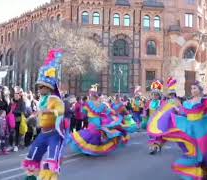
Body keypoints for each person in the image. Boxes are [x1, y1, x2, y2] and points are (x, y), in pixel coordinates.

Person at [22, 49, 68, 180]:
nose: (39, 89)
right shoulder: (42, 100)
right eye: (39, 87)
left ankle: (49, 178)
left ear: (48, 88)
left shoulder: (54, 99)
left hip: (54, 134)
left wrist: (47, 111)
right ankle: (30, 177)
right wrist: (33, 115)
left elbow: (61, 110)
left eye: (41, 87)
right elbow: (40, 111)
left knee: (52, 159)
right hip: (43, 133)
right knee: (33, 154)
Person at [69, 84, 129, 156]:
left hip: (92, 122)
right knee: (95, 136)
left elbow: (83, 113)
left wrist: (85, 115)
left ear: (91, 95)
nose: (89, 96)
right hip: (99, 122)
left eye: (90, 94)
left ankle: (88, 150)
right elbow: (109, 111)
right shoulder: (102, 104)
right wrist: (115, 115)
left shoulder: (88, 104)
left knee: (89, 135)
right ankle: (91, 150)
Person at [148, 77, 181, 155]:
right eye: (170, 94)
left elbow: (179, 109)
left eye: (172, 94)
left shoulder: (176, 101)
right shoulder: (165, 101)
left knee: (161, 133)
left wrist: (175, 109)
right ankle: (156, 146)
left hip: (168, 119)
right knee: (153, 133)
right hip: (155, 119)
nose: (171, 95)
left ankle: (156, 146)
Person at [9, 86, 26, 152]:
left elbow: (22, 112)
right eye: (14, 95)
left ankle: (16, 145)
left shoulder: (22, 103)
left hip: (17, 119)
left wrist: (14, 111)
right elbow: (8, 110)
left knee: (17, 133)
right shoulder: (12, 102)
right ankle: (11, 145)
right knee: (10, 132)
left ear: (19, 96)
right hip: (11, 119)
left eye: (17, 95)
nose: (15, 96)